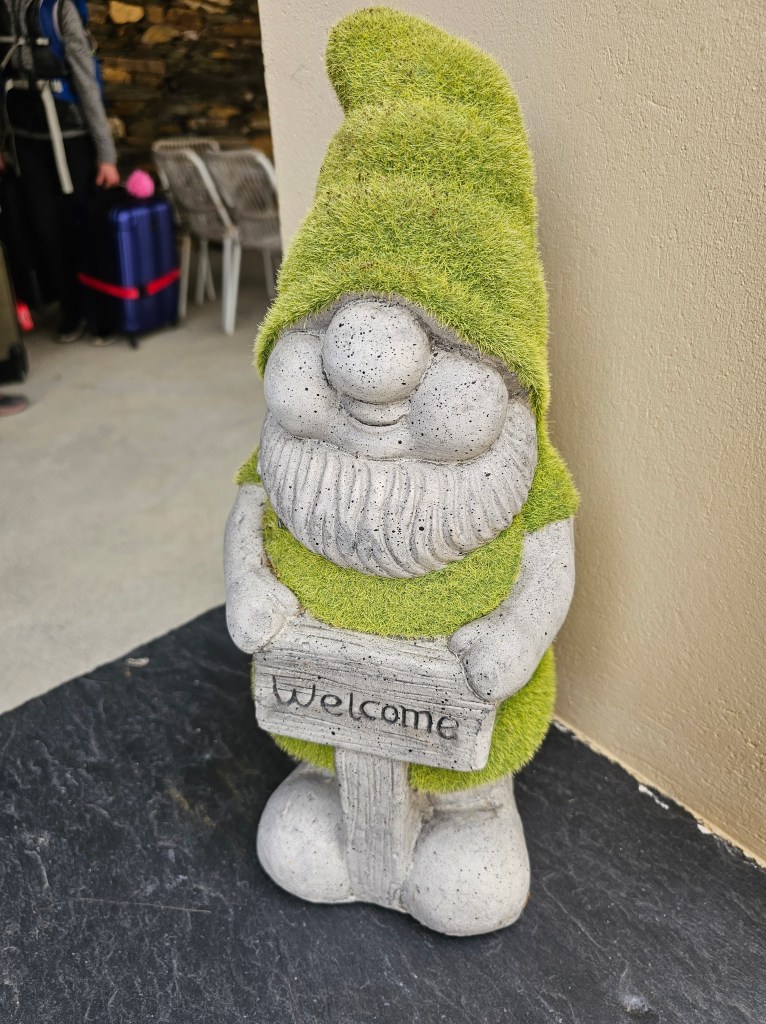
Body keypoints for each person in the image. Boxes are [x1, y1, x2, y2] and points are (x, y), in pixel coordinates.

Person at [0, 0, 119, 342]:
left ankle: (102, 313)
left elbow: (86, 79)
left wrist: (106, 155)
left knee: (81, 225)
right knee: (44, 228)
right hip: (25, 141)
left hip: (70, 137)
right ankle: (72, 310)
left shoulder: (59, 9)